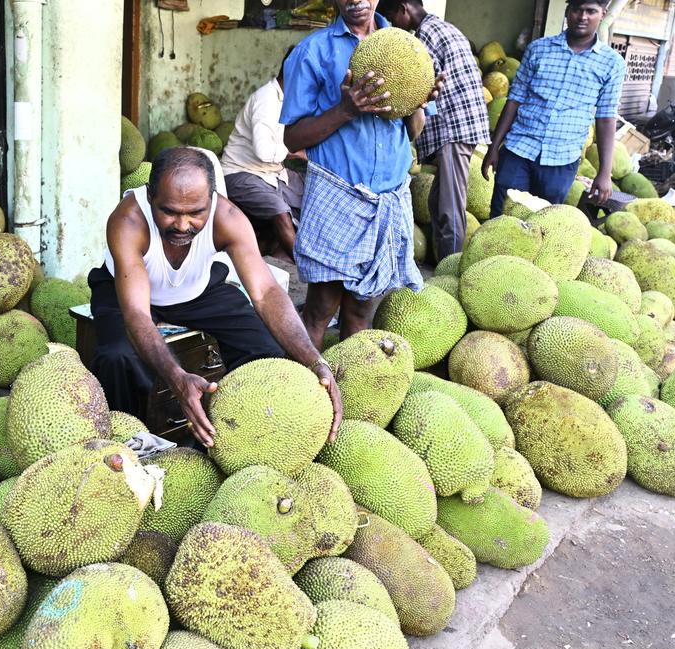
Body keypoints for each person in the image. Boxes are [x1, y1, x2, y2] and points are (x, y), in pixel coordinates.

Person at [89, 147, 343, 448]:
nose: (182, 225)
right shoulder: (129, 220)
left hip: (196, 288)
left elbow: (265, 292)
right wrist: (177, 377)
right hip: (126, 291)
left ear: (211, 198)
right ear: (150, 195)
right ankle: (126, 444)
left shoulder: (228, 217)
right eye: (169, 211)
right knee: (117, 356)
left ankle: (231, 442)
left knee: (265, 349)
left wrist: (314, 360)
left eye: (195, 213)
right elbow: (137, 315)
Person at [279, 0, 441, 345]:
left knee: (360, 311)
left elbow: (412, 131)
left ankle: (349, 388)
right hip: (338, 195)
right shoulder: (313, 52)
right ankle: (304, 389)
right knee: (321, 308)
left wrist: (417, 104)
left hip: (390, 195)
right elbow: (291, 137)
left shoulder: (408, 49)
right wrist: (345, 110)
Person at [483, 0, 624, 218]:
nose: (583, 16)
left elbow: (606, 117)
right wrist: (494, 147)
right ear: (568, 11)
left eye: (591, 11)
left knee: (541, 227)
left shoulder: (612, 63)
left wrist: (605, 172)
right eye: (577, 9)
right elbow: (514, 100)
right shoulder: (538, 50)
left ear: (603, 14)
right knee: (500, 219)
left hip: (562, 159)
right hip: (519, 149)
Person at [379, 0, 489, 259]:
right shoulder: (444, 27)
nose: (395, 25)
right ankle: (444, 260)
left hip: (454, 127)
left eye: (393, 17)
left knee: (450, 205)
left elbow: (420, 86)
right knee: (439, 201)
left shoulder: (426, 35)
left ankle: (450, 268)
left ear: (403, 8)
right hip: (462, 124)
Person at [221, 48, 305, 264]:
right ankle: (304, 268)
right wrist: (295, 152)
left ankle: (277, 249)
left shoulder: (289, 100)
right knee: (279, 210)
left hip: (272, 173)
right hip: (240, 173)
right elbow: (265, 152)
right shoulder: (266, 101)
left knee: (313, 195)